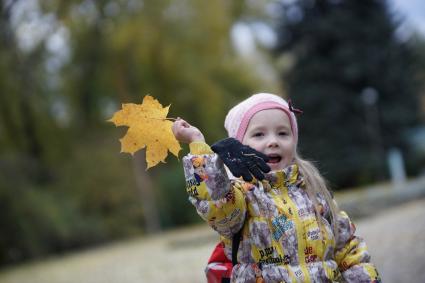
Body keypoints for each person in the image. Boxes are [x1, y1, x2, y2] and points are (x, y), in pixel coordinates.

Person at [172, 93, 380, 282]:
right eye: (259, 135)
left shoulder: (313, 190)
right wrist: (198, 145)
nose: (273, 141)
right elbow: (216, 205)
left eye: (282, 133)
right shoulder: (240, 195)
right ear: (239, 144)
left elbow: (348, 249)